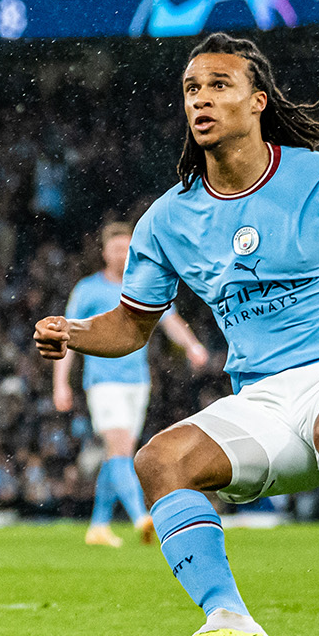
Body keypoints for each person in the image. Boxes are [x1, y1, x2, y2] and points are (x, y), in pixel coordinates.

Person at [35, 33, 319, 636]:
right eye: (191, 89)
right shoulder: (166, 220)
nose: (202, 99)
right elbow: (130, 325)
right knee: (159, 461)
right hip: (261, 397)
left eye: (219, 85)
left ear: (258, 101)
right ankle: (229, 623)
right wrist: (74, 332)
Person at [53, 220, 210, 547]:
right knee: (121, 447)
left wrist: (193, 346)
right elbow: (65, 335)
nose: (123, 254)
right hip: (103, 381)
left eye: (127, 248)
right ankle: (142, 517)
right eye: (116, 248)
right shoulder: (88, 290)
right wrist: (61, 383)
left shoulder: (143, 286)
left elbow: (170, 320)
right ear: (104, 253)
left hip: (137, 381)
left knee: (117, 455)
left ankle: (98, 526)